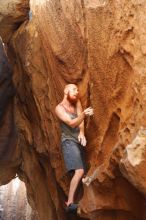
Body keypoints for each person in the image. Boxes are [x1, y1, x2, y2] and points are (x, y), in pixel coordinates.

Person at [55, 84, 93, 212]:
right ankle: (69, 203)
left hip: (78, 141)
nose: (77, 92)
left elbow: (80, 121)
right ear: (66, 90)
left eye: (78, 90)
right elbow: (72, 123)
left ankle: (85, 201)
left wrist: (82, 133)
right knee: (80, 171)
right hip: (68, 142)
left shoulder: (76, 102)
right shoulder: (59, 108)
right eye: (74, 89)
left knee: (85, 172)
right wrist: (84, 114)